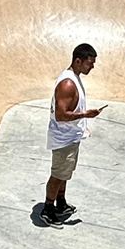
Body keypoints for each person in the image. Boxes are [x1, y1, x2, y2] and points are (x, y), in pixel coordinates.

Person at [42, 42, 106, 226]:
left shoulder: (75, 78)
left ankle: (60, 203)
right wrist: (86, 114)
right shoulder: (68, 84)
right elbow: (61, 115)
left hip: (71, 137)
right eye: (90, 62)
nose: (92, 66)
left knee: (65, 173)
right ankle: (48, 209)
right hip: (63, 139)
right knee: (57, 175)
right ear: (78, 61)